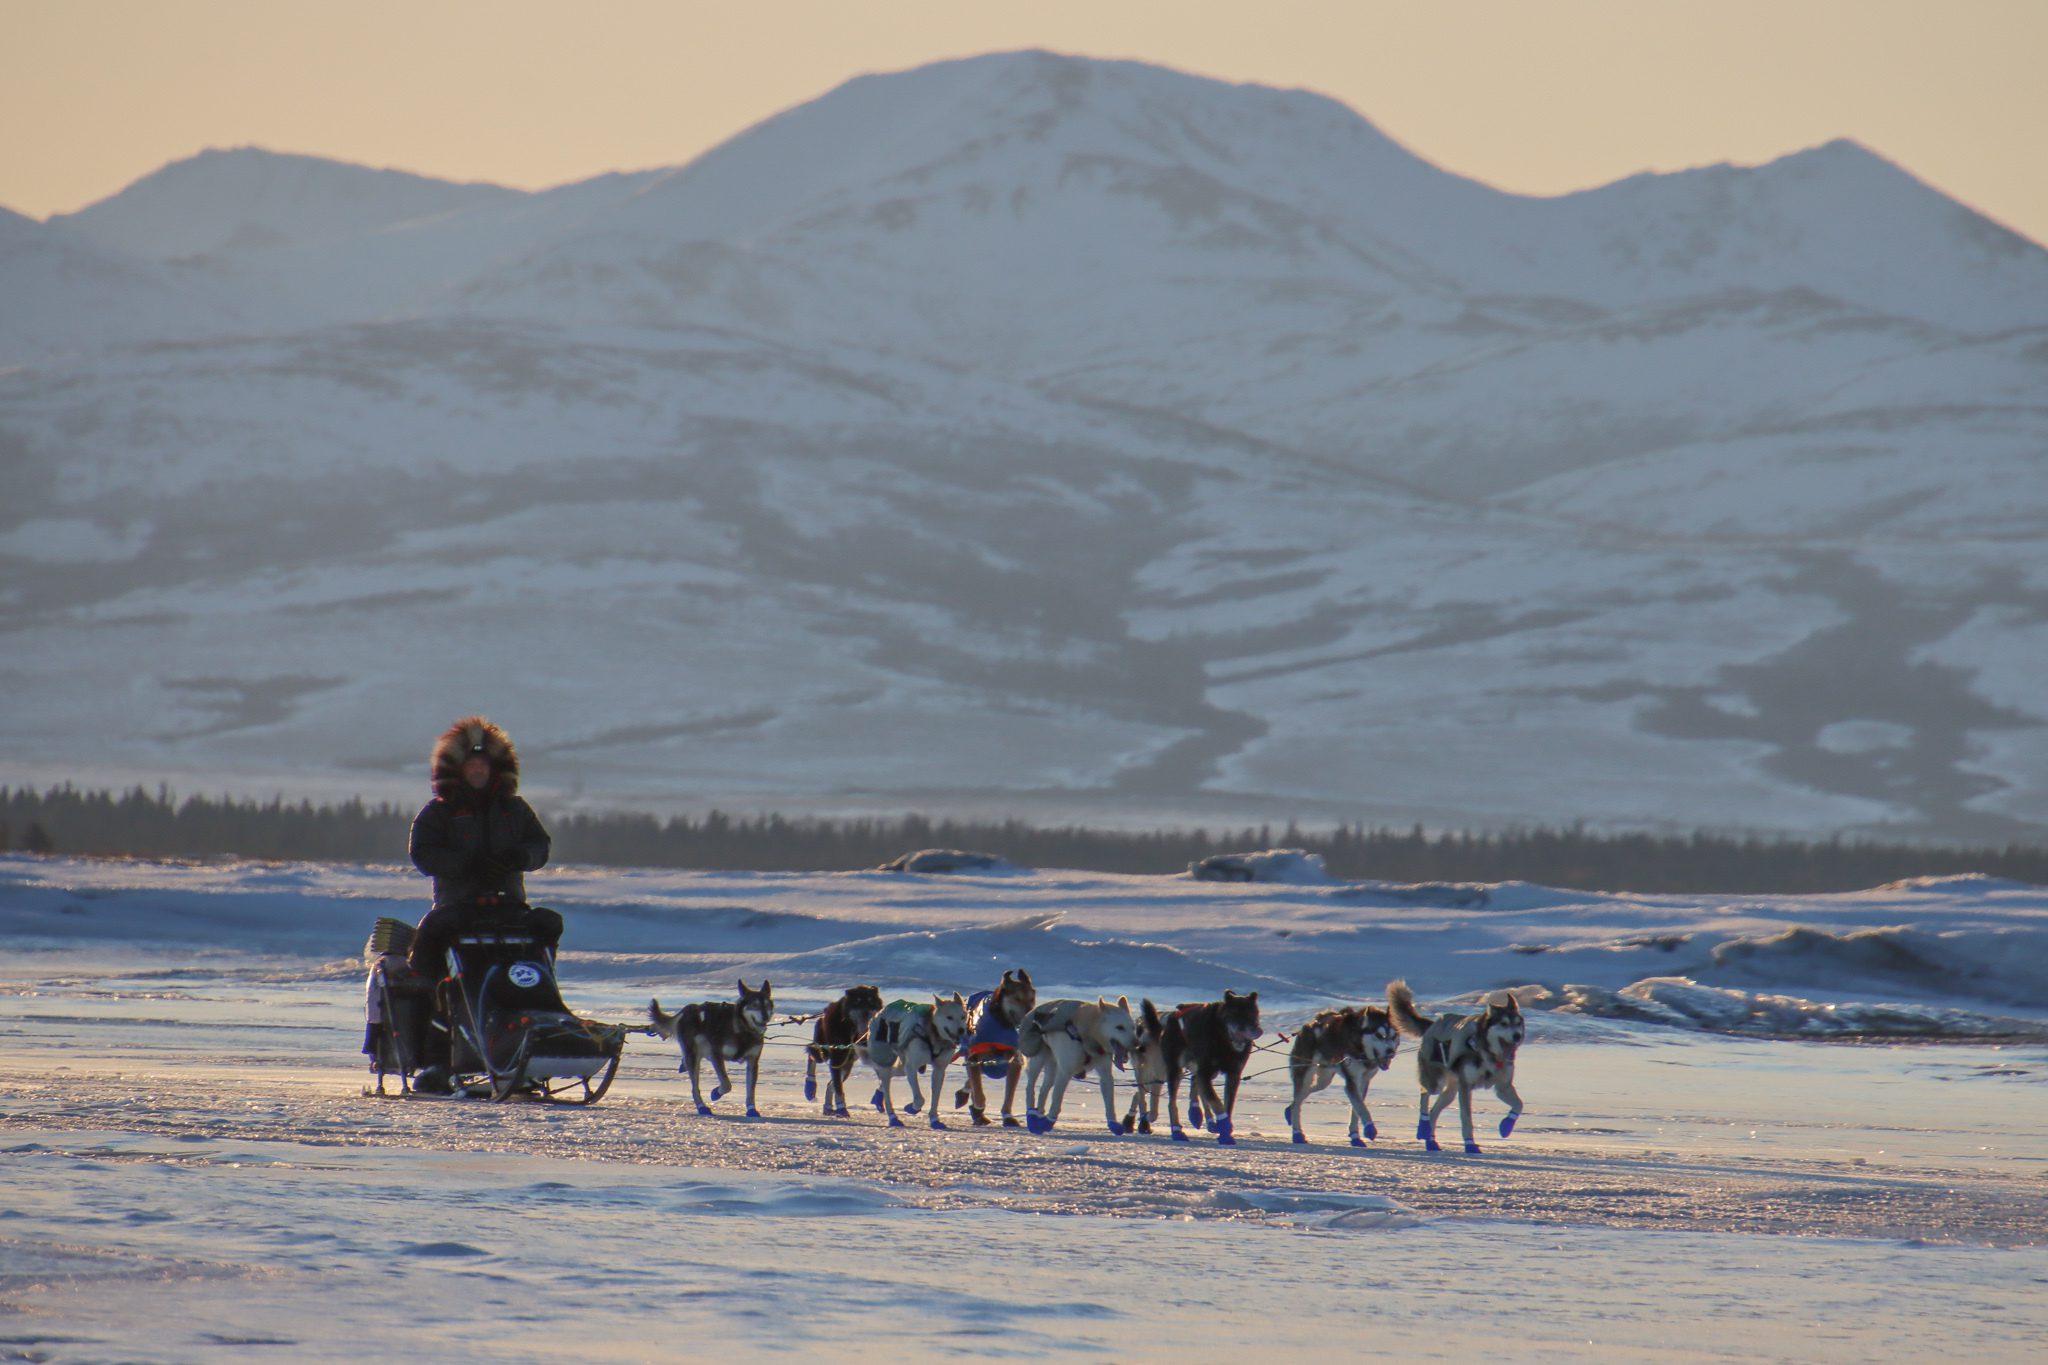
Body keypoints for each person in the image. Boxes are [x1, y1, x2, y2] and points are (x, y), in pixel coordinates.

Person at [404, 715, 559, 1092]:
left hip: (508, 910)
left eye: (483, 765)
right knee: (434, 966)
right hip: (458, 911)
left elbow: (541, 847)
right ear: (457, 769)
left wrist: (517, 858)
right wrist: (464, 866)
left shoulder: (516, 810)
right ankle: (436, 1060)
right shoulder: (439, 812)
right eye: (471, 765)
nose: (477, 771)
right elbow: (422, 854)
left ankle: (539, 1031)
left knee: (549, 924)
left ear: (496, 770)